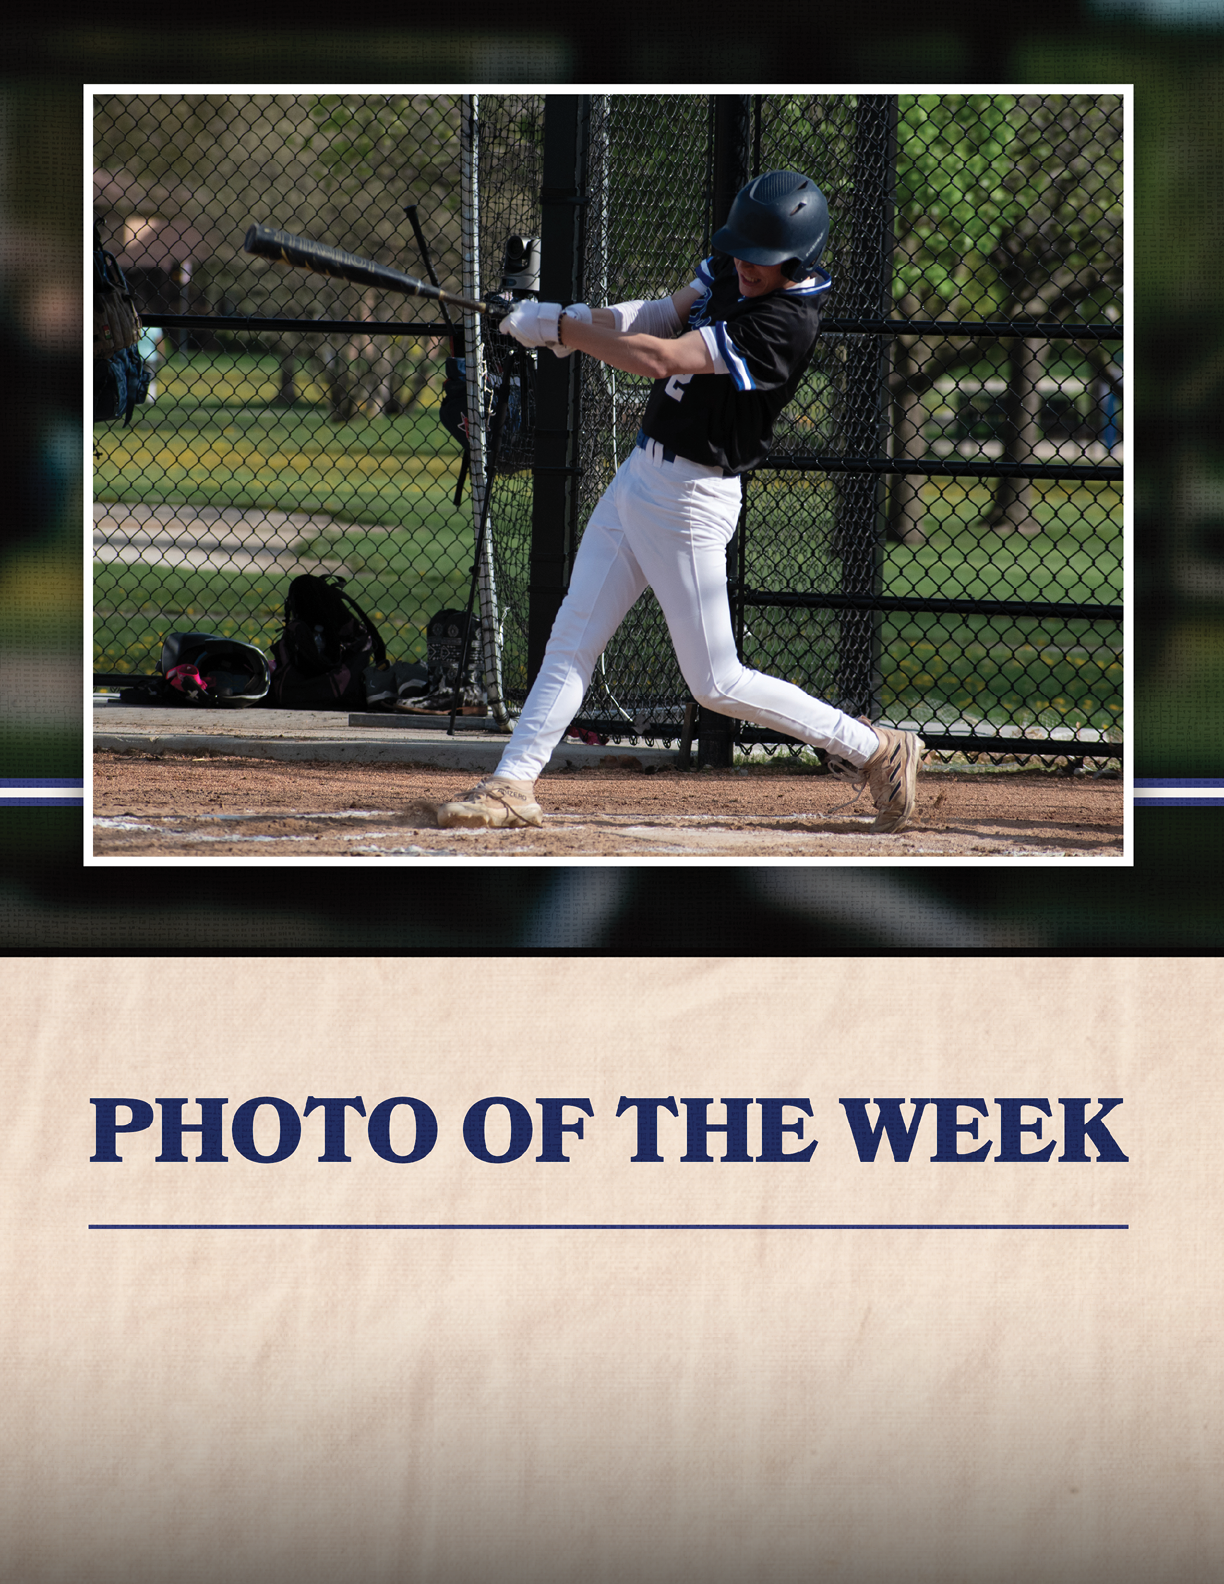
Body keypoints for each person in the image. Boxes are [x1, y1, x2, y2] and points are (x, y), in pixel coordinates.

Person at [435, 169, 924, 834]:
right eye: (742, 250)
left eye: (763, 258)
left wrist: (563, 331)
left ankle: (876, 749)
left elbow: (661, 356)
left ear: (798, 259)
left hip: (691, 498)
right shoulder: (734, 265)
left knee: (715, 681)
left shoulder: (785, 322)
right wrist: (573, 319)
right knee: (573, 637)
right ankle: (511, 784)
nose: (746, 265)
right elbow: (660, 314)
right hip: (641, 475)